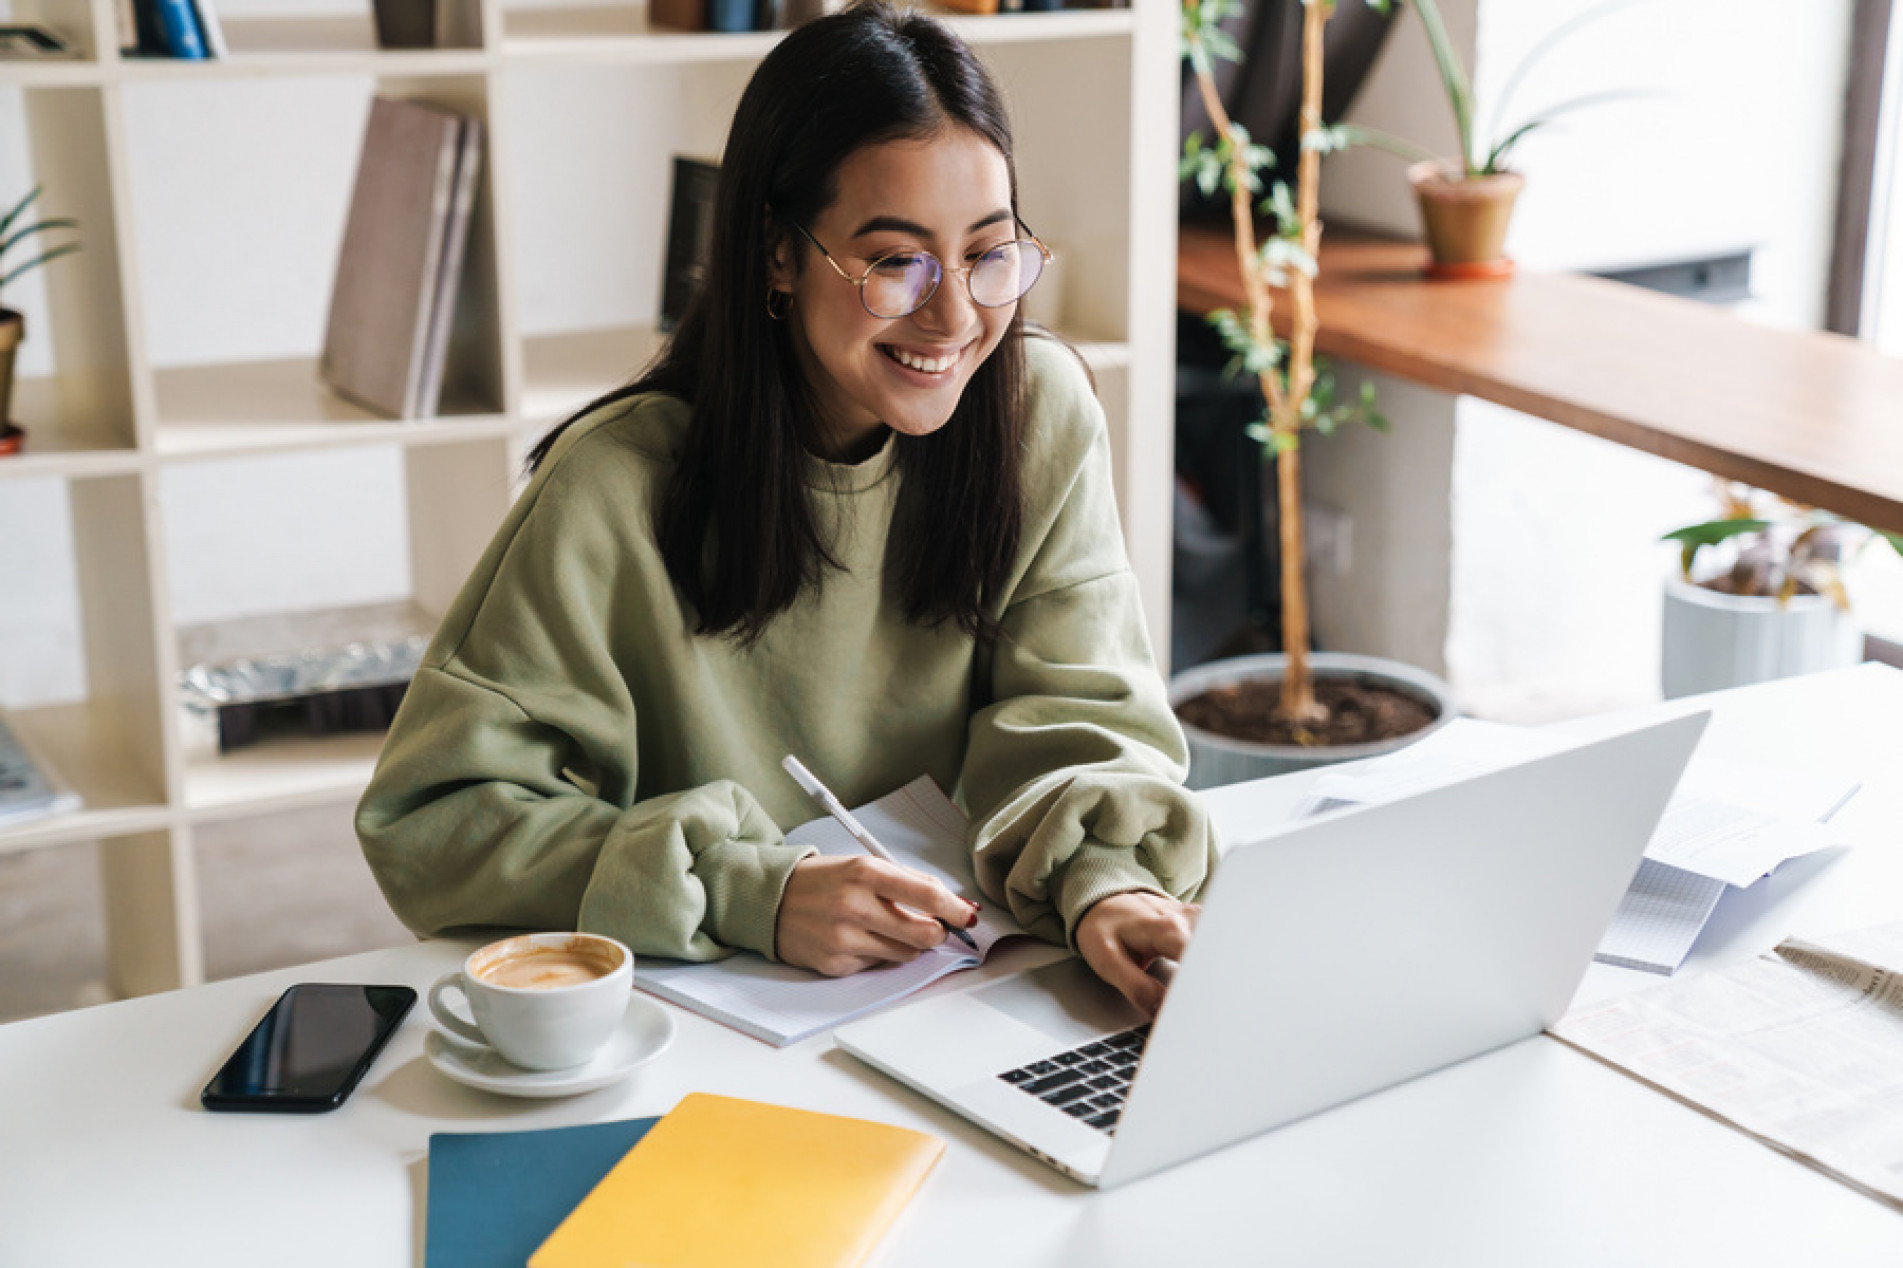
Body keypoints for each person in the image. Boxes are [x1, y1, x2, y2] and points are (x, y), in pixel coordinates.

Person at [355, 0, 1217, 1016]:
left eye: (989, 252)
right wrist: (749, 889)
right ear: (776, 252)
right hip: (705, 1026)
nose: (955, 316)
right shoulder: (612, 485)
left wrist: (1107, 878)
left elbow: (1079, 717)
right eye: (897, 261)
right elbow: (434, 821)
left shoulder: (1039, 414)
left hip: (974, 995)